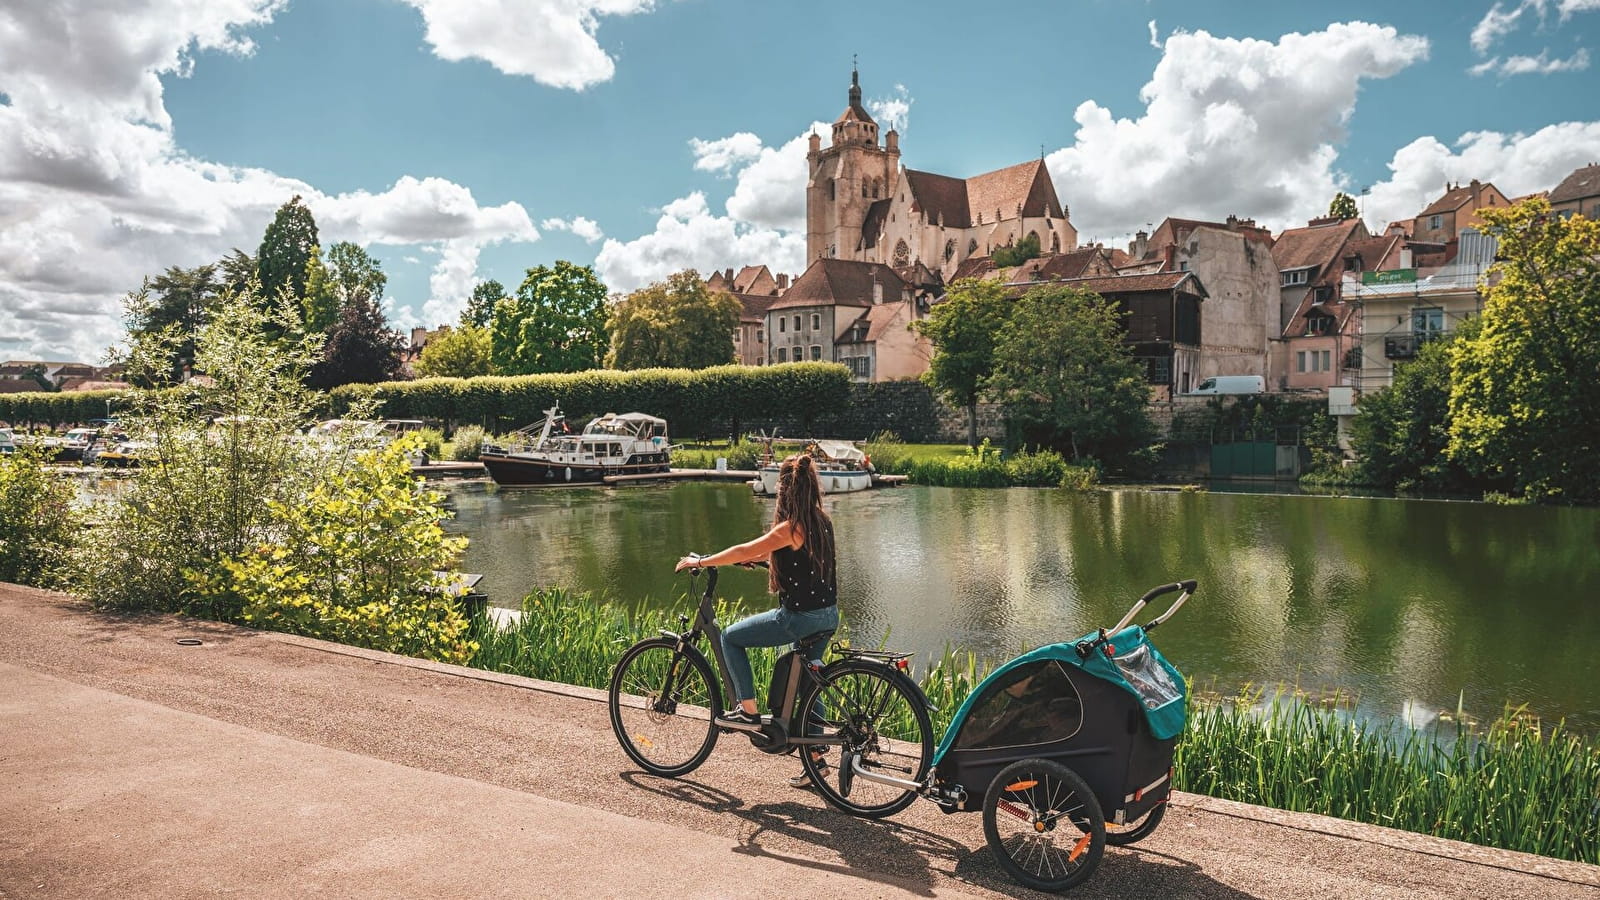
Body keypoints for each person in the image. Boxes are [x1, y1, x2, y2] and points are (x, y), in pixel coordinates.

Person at [675, 452, 838, 788]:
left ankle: (747, 711)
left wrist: (701, 561)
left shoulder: (789, 527)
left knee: (731, 637)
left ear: (785, 491)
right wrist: (763, 561)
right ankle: (816, 760)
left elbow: (745, 548)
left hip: (798, 618)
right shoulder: (821, 522)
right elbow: (793, 561)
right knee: (809, 678)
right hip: (827, 615)